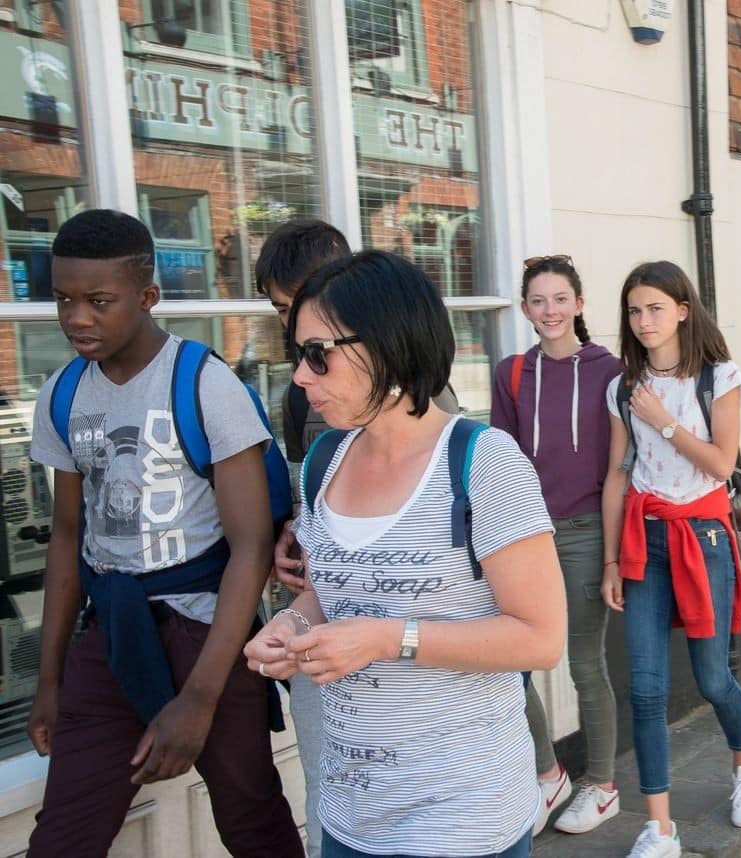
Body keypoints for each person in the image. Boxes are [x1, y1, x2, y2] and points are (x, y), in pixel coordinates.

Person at [245, 250, 566, 858]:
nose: (301, 376)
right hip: (349, 815)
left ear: (387, 346)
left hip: (463, 818)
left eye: (318, 354)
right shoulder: (323, 461)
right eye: (298, 355)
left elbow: (541, 638)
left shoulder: (484, 463)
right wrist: (291, 626)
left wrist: (389, 639)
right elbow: (331, 593)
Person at [25, 209, 302, 856]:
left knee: (251, 820)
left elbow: (249, 546)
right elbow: (67, 537)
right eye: (63, 300)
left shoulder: (202, 382)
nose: (77, 318)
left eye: (99, 301)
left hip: (207, 629)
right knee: (63, 834)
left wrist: (200, 697)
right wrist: (50, 679)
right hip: (112, 626)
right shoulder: (62, 394)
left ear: (147, 296)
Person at [601, 261, 741, 858]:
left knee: (713, 678)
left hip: (704, 537)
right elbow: (617, 475)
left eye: (655, 309)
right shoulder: (623, 388)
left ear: (683, 311)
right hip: (645, 542)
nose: (643, 321)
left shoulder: (719, 377)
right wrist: (612, 562)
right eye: (634, 311)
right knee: (645, 690)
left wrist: (665, 423)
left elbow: (721, 463)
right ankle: (660, 828)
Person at [490, 254, 622, 835]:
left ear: (579, 304)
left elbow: (622, 465)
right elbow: (500, 461)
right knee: (512, 662)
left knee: (584, 663)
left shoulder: (611, 371)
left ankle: (602, 784)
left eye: (560, 299)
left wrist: (614, 554)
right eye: (539, 301)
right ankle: (548, 773)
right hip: (524, 534)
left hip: (587, 533)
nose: (550, 311)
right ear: (525, 308)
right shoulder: (512, 373)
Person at [254, 218, 350, 858]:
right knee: (328, 789)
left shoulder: (425, 393)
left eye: (300, 304)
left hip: (403, 640)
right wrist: (292, 531)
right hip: (320, 617)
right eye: (281, 310)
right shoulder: (299, 392)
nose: (292, 325)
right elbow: (304, 490)